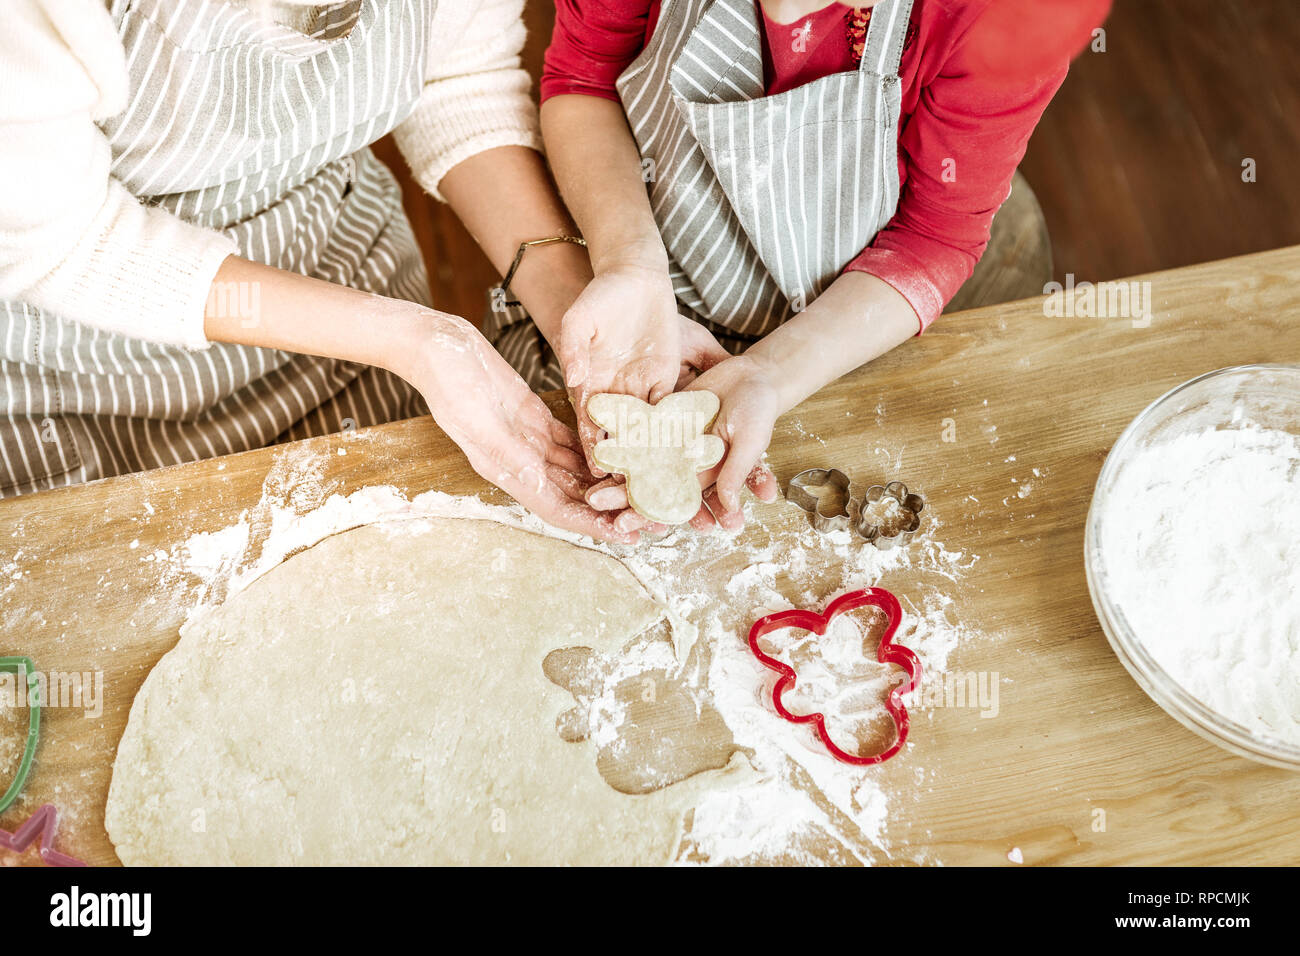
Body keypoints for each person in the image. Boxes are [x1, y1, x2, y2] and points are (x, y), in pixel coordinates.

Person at [0, 0, 685, 543]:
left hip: (345, 293)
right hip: (81, 381)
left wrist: (578, 315)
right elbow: (72, 245)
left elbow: (457, 83)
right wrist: (413, 340)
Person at [496, 0, 1110, 530]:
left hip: (868, 311)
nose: (789, 11)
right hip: (653, 259)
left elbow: (935, 234)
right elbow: (584, 75)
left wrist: (769, 372)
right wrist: (629, 262)